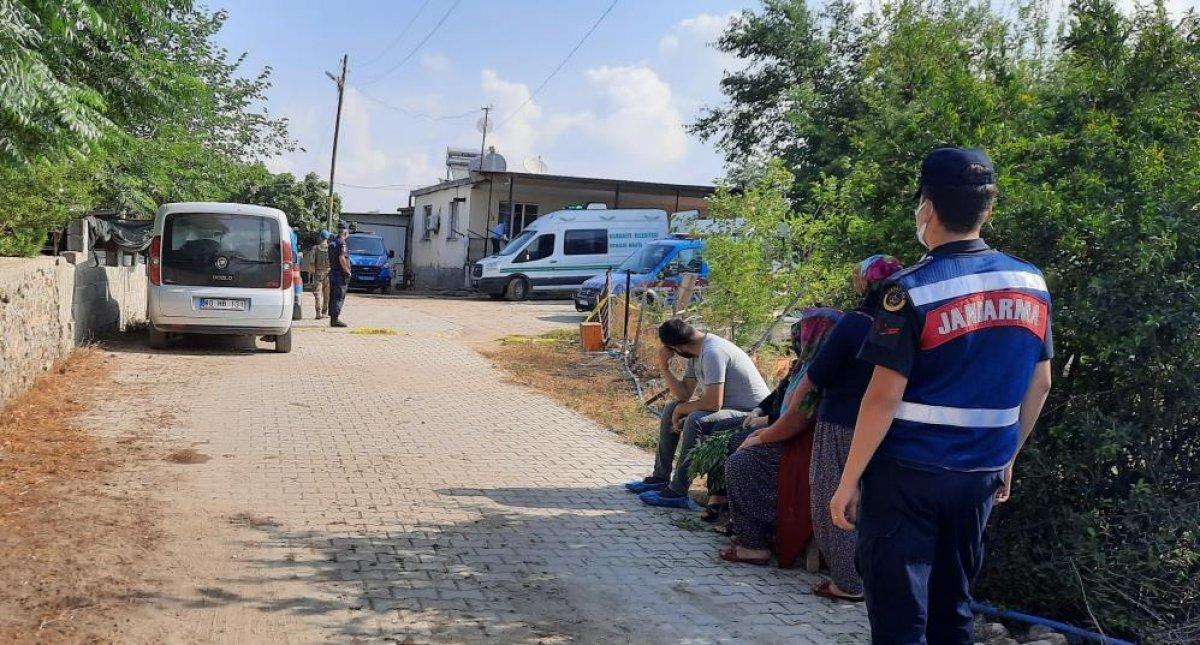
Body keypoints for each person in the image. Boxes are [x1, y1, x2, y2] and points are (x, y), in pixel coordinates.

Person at [829, 147, 1054, 644]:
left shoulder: (908, 290)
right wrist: (1008, 455)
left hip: (908, 476)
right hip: (979, 475)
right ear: (987, 209)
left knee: (899, 616)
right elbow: (1040, 385)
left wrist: (848, 482)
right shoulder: (1031, 283)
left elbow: (882, 398)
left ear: (927, 207)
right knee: (953, 609)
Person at [806, 254, 903, 602]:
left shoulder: (854, 323)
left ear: (865, 283)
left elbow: (819, 373)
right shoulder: (904, 322)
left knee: (834, 497)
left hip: (842, 420)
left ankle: (847, 582)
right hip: (888, 427)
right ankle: (868, 578)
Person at [719, 308, 841, 565]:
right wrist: (762, 421)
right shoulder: (805, 365)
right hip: (795, 436)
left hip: (812, 447)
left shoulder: (824, 371)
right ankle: (742, 523)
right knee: (739, 443)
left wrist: (762, 436)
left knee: (743, 463)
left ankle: (754, 544)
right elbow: (779, 399)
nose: (796, 341)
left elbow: (799, 419)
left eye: (802, 335)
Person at [625, 319, 772, 510]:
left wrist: (682, 410)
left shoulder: (712, 352)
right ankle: (659, 478)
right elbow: (684, 394)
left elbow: (713, 403)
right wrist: (664, 367)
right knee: (672, 407)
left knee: (696, 420)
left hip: (752, 413)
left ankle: (678, 492)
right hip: (729, 409)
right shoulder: (696, 352)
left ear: (677, 347)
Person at [327, 223, 352, 328]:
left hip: (333, 272)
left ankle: (333, 319)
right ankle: (335, 319)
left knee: (333, 296)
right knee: (338, 296)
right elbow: (342, 257)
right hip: (340, 274)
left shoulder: (333, 242)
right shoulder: (342, 243)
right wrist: (347, 270)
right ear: (345, 232)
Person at [307, 230, 333, 319]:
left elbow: (311, 262)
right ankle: (324, 312)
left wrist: (310, 274)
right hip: (328, 273)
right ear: (327, 238)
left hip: (318, 273)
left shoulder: (315, 248)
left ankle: (318, 313)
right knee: (327, 293)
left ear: (320, 237)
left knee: (317, 293)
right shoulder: (331, 248)